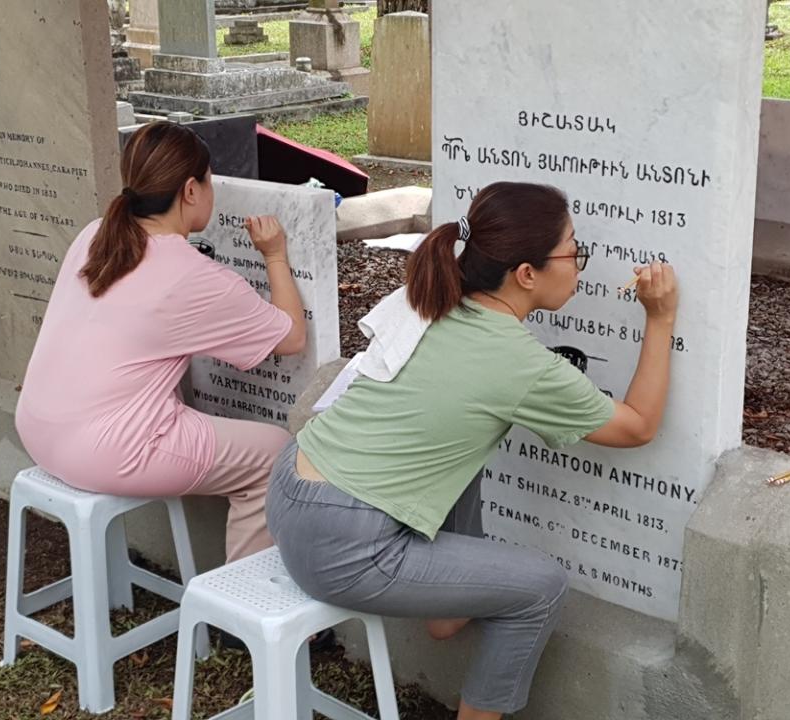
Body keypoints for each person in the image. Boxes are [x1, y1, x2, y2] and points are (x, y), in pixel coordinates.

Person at [265, 181, 678, 720]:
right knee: (542, 588)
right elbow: (638, 426)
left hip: (290, 489)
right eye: (573, 250)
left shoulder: (436, 299)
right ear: (526, 274)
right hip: (344, 546)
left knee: (467, 453)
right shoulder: (518, 361)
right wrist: (661, 317)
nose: (580, 263)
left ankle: (446, 612)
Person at [16, 121, 307, 564]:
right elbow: (291, 337)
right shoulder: (190, 273)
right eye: (210, 181)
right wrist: (274, 255)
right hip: (107, 450)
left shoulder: (95, 234)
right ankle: (241, 616)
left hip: (38, 429)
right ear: (191, 190)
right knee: (275, 453)